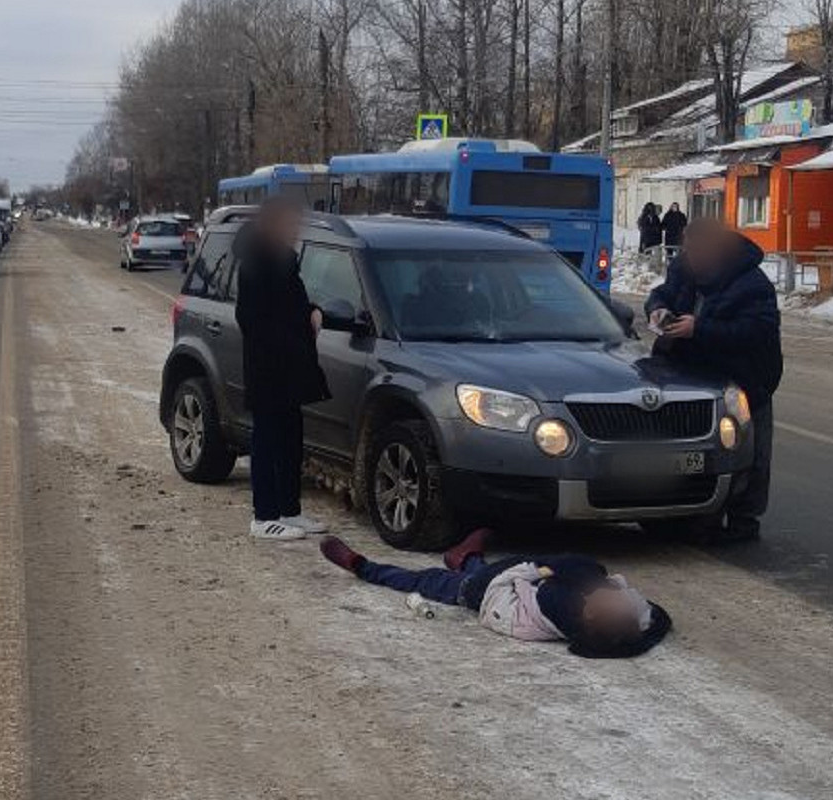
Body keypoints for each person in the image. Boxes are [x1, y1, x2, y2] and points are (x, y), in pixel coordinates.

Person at [319, 531, 672, 658]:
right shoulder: (628, 619)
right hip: (517, 582)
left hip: (488, 594)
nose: (614, 596)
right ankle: (466, 557)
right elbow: (654, 617)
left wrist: (553, 569)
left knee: (424, 580)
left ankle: (363, 567)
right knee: (516, 565)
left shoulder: (560, 605)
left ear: (591, 615)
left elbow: (550, 568)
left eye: (607, 603)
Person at [645, 218, 783, 543]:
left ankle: (744, 522)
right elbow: (660, 294)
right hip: (692, 376)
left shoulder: (752, 283)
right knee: (700, 450)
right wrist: (659, 309)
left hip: (746, 378)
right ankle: (696, 515)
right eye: (689, 248)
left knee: (751, 452)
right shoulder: (685, 270)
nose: (693, 256)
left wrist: (700, 329)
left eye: (699, 250)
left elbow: (756, 332)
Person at [235, 196, 331, 541]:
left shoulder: (284, 261)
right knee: (267, 440)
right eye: (290, 224)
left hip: (290, 369)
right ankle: (264, 517)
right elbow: (251, 319)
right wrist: (289, 340)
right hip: (269, 369)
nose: (295, 230)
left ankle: (290, 510)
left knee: (291, 440)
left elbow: (295, 305)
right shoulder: (256, 263)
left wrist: (314, 312)